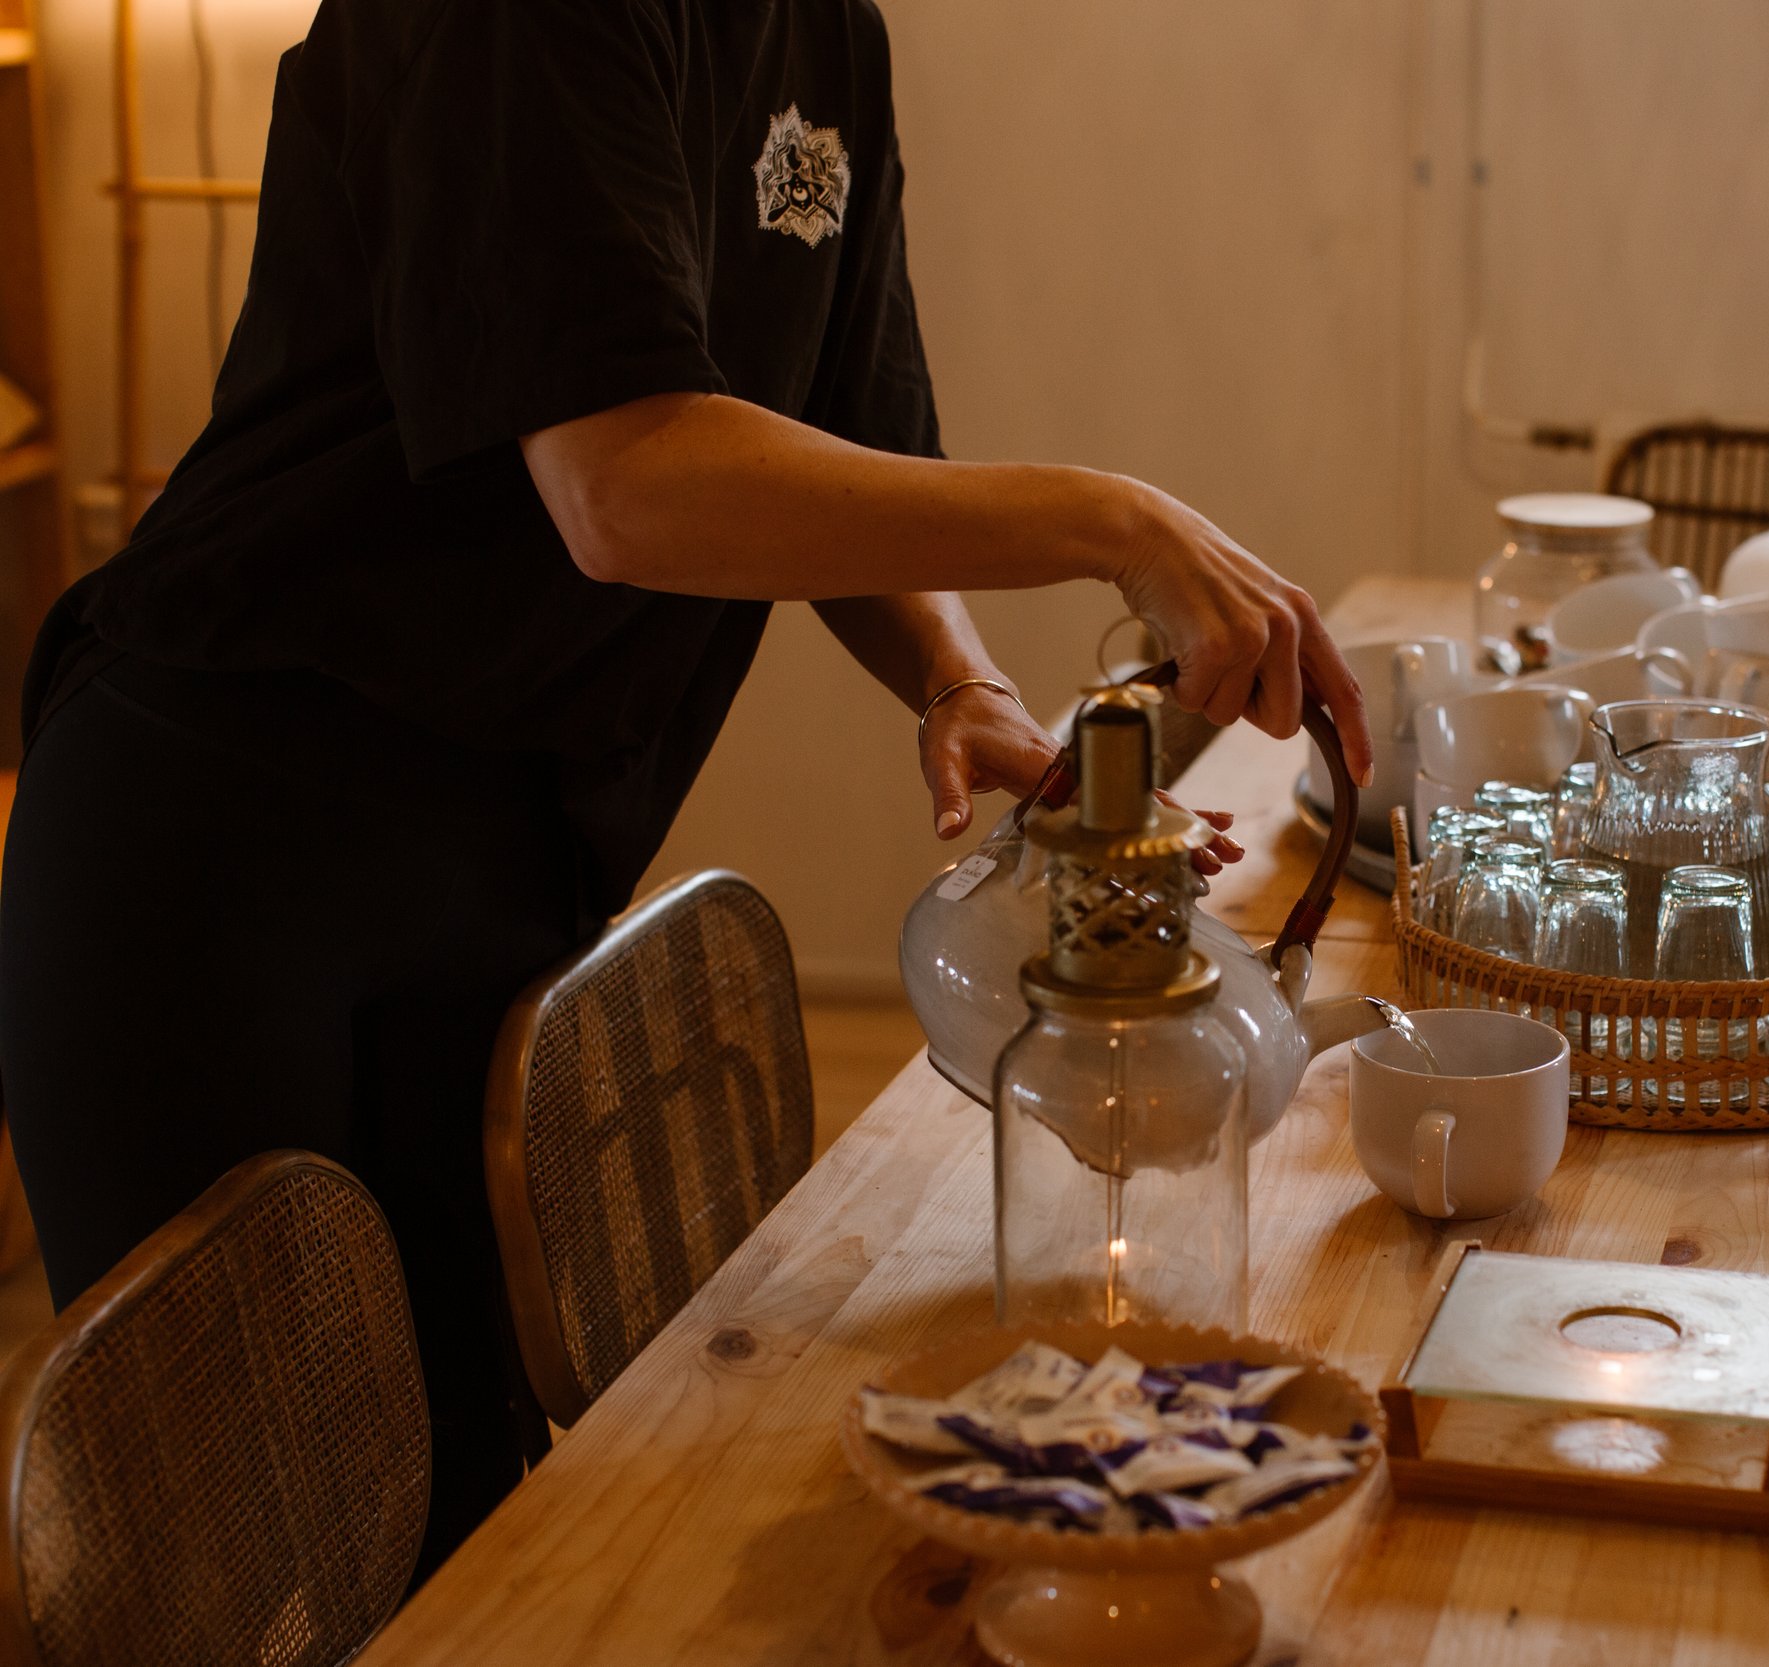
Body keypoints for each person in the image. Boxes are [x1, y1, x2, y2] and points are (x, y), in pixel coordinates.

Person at [0, 0, 1371, 1572]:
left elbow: (838, 443)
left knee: (461, 1521)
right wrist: (1115, 521)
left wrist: (960, 680)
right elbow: (624, 483)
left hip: (497, 844)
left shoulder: (827, 32)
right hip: (218, 838)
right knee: (243, 1549)